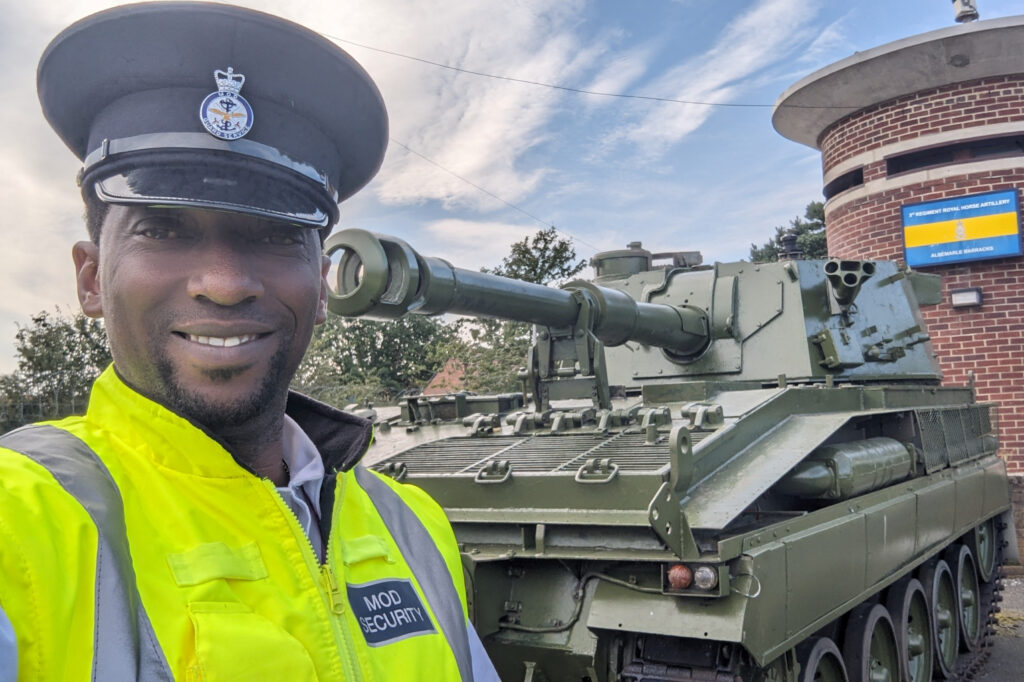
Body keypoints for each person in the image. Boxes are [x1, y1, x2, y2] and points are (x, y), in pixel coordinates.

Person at [0, 3, 499, 680]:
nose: (225, 283)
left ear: (321, 288)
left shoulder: (414, 527)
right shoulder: (22, 519)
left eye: (275, 235)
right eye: (164, 229)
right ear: (90, 279)